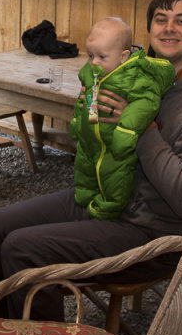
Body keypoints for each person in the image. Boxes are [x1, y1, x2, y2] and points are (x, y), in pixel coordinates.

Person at [0, 0, 182, 321]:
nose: (168, 28)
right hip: (108, 200)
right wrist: (90, 120)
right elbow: (100, 150)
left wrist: (142, 127)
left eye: (181, 21)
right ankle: (5, 331)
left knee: (23, 248)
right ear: (149, 30)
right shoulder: (138, 78)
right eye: (160, 19)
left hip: (153, 234)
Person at [70, 16, 175, 220]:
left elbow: (145, 105)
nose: (94, 62)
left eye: (101, 57)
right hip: (89, 138)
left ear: (123, 56)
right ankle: (85, 195)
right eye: (90, 55)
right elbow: (83, 99)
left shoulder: (135, 77)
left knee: (115, 176)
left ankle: (108, 208)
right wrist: (76, 121)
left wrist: (126, 131)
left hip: (115, 144)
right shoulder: (90, 73)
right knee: (83, 166)